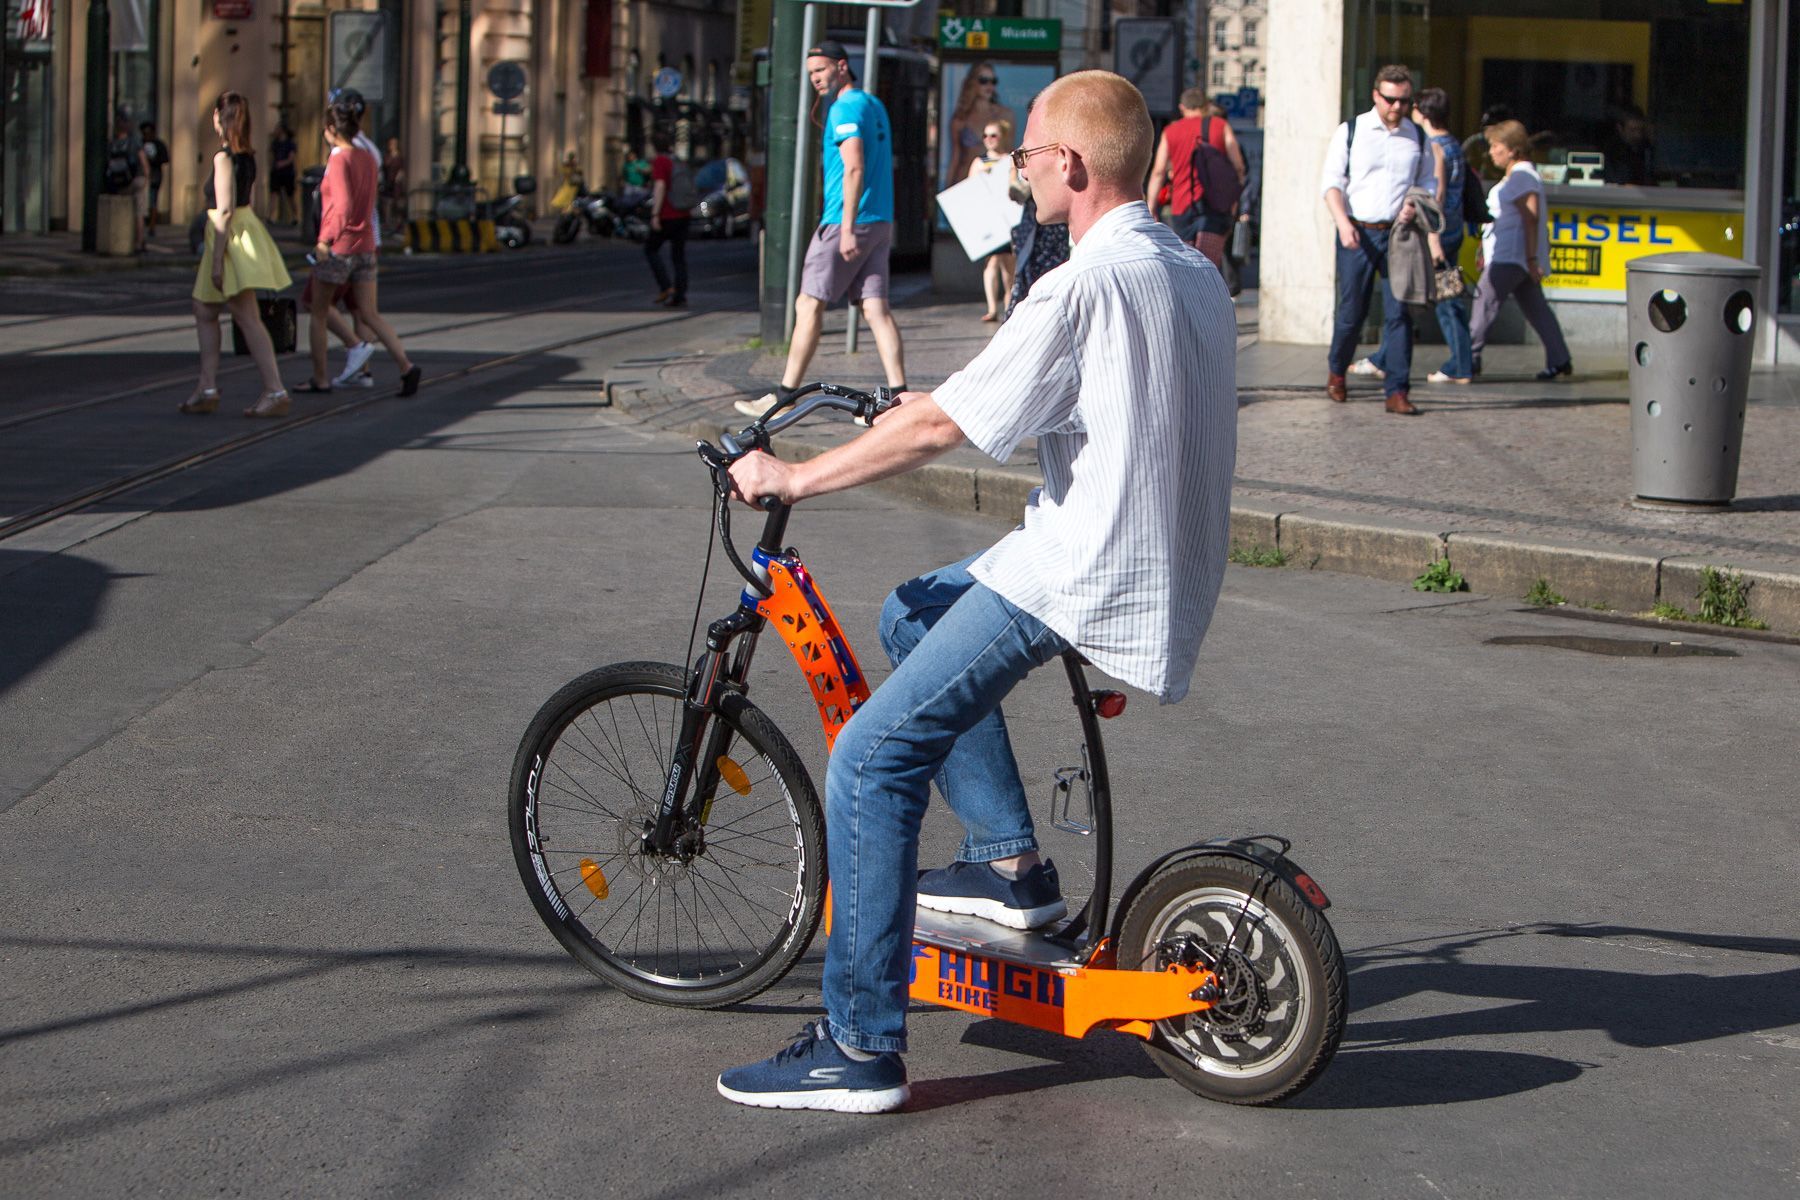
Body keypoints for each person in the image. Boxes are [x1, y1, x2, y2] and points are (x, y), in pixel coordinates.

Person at [716, 69, 1237, 1114]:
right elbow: (1048, 395)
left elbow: (945, 433)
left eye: (1032, 158)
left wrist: (794, 475)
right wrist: (933, 396)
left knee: (870, 757)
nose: (1022, 173)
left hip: (1082, 569)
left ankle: (859, 1044)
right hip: (1145, 556)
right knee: (913, 610)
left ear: (1075, 167)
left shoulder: (1082, 282)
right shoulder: (1185, 267)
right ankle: (1009, 872)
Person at [737, 40, 906, 418]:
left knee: (808, 303)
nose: (815, 78)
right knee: (876, 309)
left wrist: (845, 227)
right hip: (879, 220)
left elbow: (855, 166)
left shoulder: (844, 107)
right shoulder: (874, 105)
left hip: (846, 219)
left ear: (842, 67)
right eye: (811, 72)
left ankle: (783, 399)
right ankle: (900, 398)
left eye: (821, 70)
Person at [1320, 63, 1435, 416]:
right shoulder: (1351, 131)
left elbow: (1429, 183)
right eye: (1390, 100)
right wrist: (1343, 223)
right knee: (1352, 312)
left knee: (1400, 312)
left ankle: (1397, 391)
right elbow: (1331, 183)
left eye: (1403, 101)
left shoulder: (1417, 136)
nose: (1397, 107)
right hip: (1357, 232)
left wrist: (1415, 204)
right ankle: (1337, 372)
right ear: (1376, 95)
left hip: (1399, 237)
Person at [299, 99, 419, 398]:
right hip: (366, 243)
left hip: (340, 245)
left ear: (329, 130)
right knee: (370, 312)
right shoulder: (367, 157)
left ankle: (321, 377)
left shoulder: (339, 159)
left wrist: (324, 240)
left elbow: (342, 205)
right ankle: (405, 365)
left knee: (318, 309)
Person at [183, 92, 292, 418]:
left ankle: (275, 389)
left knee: (247, 317)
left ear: (219, 117)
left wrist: (217, 260)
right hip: (243, 230)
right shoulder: (249, 156)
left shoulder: (224, 158)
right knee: (204, 308)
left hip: (226, 237)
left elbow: (225, 209)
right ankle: (207, 386)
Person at [1358, 88, 1474, 385]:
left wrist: (1433, 241)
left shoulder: (1434, 147)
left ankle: (1459, 364)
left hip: (1434, 234)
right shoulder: (1453, 145)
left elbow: (1435, 195)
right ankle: (1387, 357)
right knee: (1424, 298)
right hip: (1452, 230)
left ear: (1423, 112)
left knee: (1429, 299)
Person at [1469, 119, 1573, 382]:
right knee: (1536, 308)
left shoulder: (1521, 177)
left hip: (1511, 255)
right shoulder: (1519, 176)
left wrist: (1530, 257)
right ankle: (1559, 358)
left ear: (1513, 149)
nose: (1491, 152)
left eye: (1496, 146)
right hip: (1516, 255)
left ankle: (1467, 357)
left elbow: (1530, 217)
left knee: (1485, 303)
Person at [1144, 88, 1246, 270]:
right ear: (1206, 105)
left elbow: (1158, 171)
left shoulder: (1171, 131)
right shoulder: (1220, 126)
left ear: (1182, 107)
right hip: (1215, 207)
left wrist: (1151, 205)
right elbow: (1238, 165)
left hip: (1182, 207)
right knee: (1209, 267)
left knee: (1186, 266)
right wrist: (1234, 202)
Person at [967, 119, 1017, 323]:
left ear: (1002, 137)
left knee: (1009, 264)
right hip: (988, 218)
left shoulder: (1010, 160)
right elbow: (970, 188)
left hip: (1006, 218)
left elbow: (1014, 185)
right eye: (985, 135)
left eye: (993, 135)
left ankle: (1009, 304)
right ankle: (991, 307)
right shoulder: (979, 162)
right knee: (991, 262)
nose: (988, 140)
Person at [947, 61, 1015, 187]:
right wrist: (947, 188)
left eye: (993, 81)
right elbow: (955, 158)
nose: (989, 85)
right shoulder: (961, 119)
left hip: (995, 179)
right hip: (965, 180)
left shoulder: (1005, 115)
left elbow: (1009, 150)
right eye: (983, 80)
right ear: (973, 83)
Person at [644, 129, 691, 307]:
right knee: (678, 256)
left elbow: (660, 186)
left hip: (667, 214)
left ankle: (665, 286)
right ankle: (681, 294)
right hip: (683, 214)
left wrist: (655, 214)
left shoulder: (660, 161)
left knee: (650, 249)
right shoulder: (677, 160)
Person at [106, 114, 150, 252]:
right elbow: (143, 162)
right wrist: (147, 178)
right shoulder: (134, 142)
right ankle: (139, 241)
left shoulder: (113, 143)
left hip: (120, 183)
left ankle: (120, 240)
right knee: (139, 212)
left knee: (124, 212)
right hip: (136, 180)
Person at [139, 121, 169, 240]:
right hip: (143, 175)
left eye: (149, 132)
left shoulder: (158, 144)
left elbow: (165, 158)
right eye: (144, 133)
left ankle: (151, 226)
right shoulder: (140, 144)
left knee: (152, 201)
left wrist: (154, 160)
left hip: (155, 175)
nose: (146, 135)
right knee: (145, 201)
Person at [269, 124, 298, 225]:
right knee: (274, 194)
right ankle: (271, 216)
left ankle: (295, 216)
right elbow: (272, 155)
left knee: (290, 196)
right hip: (276, 172)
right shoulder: (275, 143)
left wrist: (282, 164)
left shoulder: (290, 144)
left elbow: (291, 158)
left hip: (287, 173)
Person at [382, 136, 407, 234]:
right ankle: (388, 223)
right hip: (388, 182)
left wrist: (398, 178)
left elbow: (401, 170)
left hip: (396, 184)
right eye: (391, 144)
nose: (392, 146)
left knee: (397, 204)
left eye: (394, 144)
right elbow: (384, 166)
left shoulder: (399, 157)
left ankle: (398, 223)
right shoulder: (387, 156)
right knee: (387, 203)